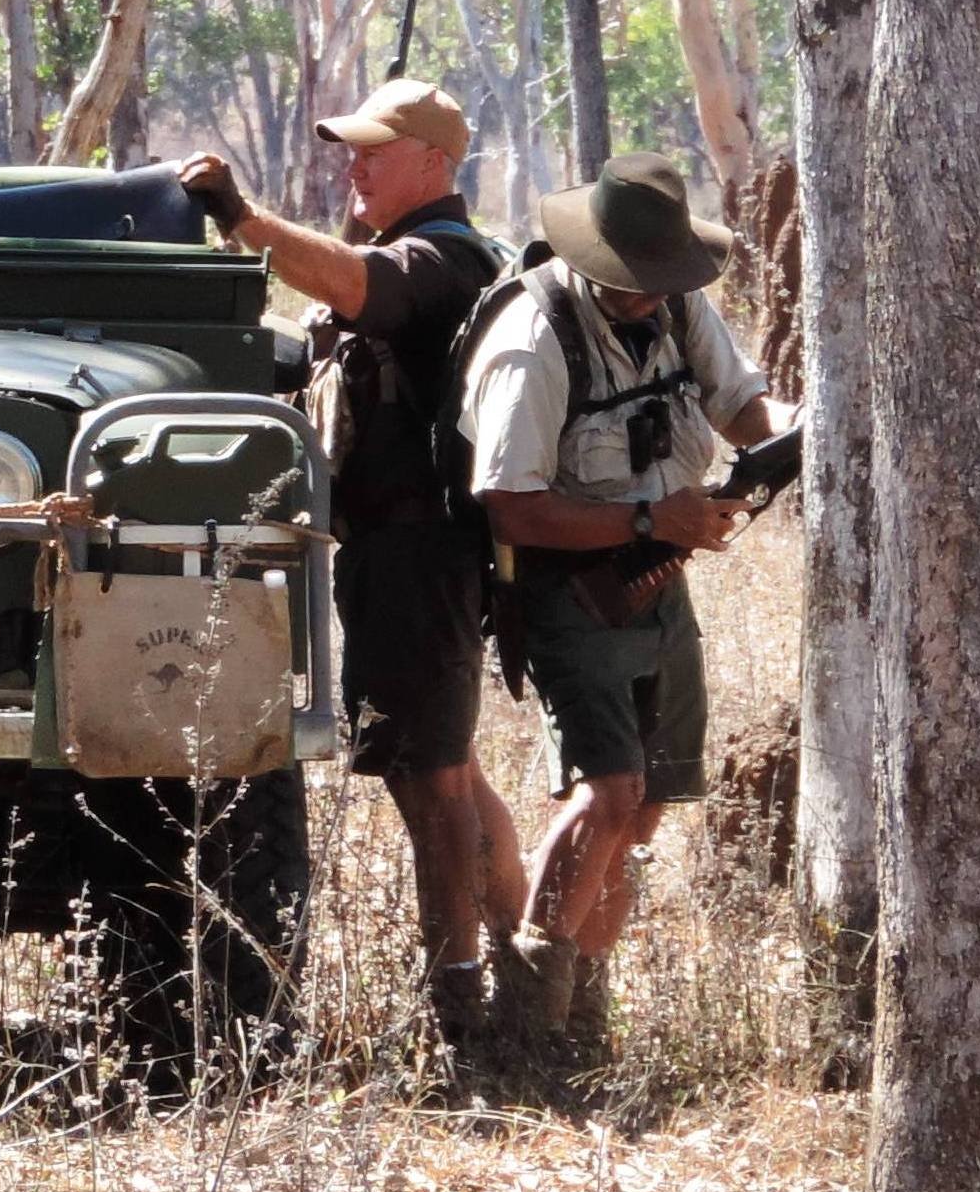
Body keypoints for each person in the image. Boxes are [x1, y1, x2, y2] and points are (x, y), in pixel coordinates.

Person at [177, 81, 528, 1061]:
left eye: (375, 151)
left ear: (435, 163)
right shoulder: (407, 251)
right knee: (445, 766)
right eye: (349, 151)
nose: (354, 165)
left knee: (434, 785)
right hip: (391, 555)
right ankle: (531, 961)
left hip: (425, 555)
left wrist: (246, 222)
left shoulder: (441, 260)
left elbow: (364, 284)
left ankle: (462, 1003)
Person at [457, 153, 793, 1061]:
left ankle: (582, 1024)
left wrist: (789, 444)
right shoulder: (533, 342)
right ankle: (528, 1024)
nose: (651, 296)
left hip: (661, 580)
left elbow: (744, 407)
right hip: (567, 592)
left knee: (642, 810)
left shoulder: (678, 301)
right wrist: (649, 513)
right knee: (608, 793)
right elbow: (511, 505)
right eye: (635, 282)